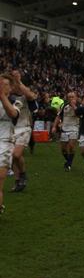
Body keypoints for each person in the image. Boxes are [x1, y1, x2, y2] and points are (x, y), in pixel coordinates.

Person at [8, 70, 37, 192]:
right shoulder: (8, 95)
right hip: (11, 129)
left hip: (24, 128)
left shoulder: (26, 95)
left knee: (16, 154)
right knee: (13, 157)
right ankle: (18, 181)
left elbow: (31, 96)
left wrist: (19, 81)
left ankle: (23, 174)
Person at [0, 73, 21, 214]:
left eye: (4, 84)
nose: (1, 86)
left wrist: (2, 96)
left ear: (11, 87)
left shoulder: (16, 101)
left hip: (4, 144)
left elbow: (13, 114)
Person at [52, 92, 81, 171]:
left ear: (76, 97)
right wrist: (54, 126)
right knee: (63, 149)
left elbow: (80, 115)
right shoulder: (64, 106)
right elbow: (58, 116)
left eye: (72, 97)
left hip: (74, 128)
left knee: (71, 146)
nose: (71, 99)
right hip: (65, 128)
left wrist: (74, 106)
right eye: (69, 97)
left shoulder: (79, 106)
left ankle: (69, 164)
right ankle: (68, 161)